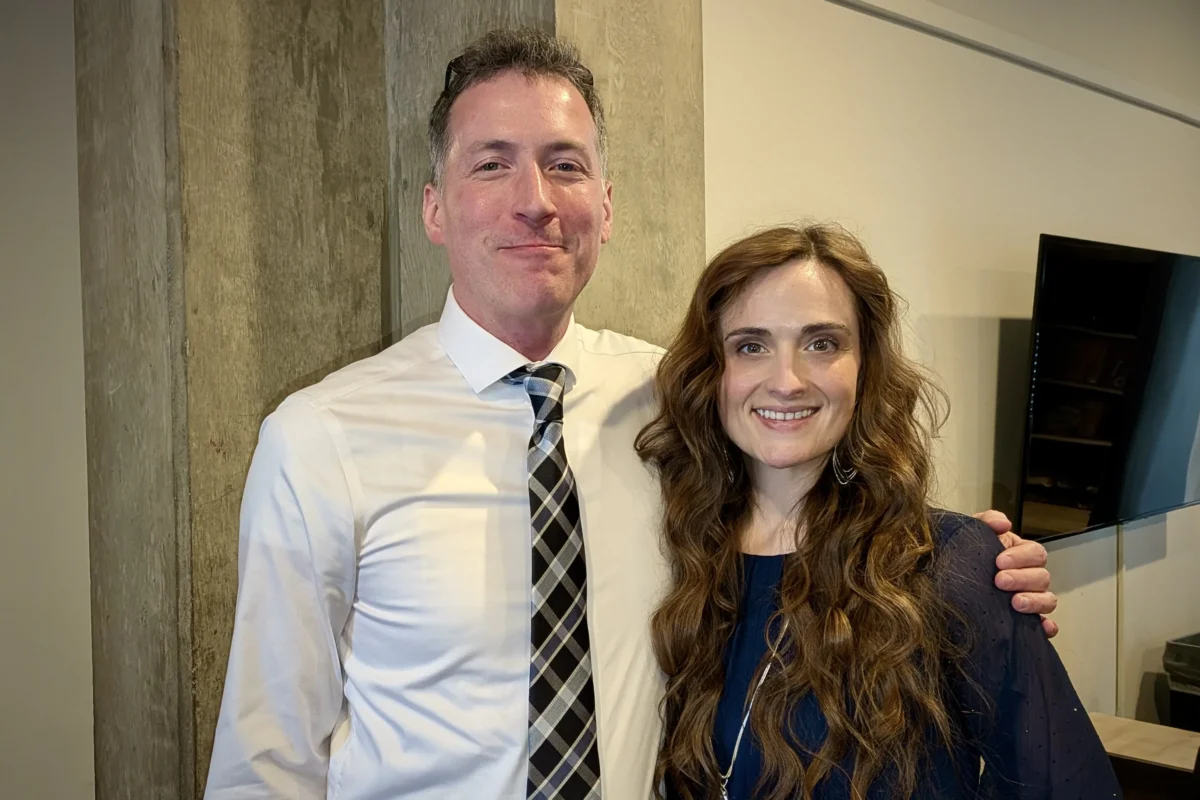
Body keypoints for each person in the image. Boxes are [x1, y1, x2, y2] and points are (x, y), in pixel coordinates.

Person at [204, 29, 1059, 800]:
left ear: (605, 209)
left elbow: (820, 505)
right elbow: (267, 763)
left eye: (565, 164)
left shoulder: (679, 398)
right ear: (435, 206)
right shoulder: (321, 439)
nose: (534, 199)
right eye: (492, 163)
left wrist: (975, 582)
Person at [637, 224, 1119, 800]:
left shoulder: (952, 564)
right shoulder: (677, 554)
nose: (787, 381)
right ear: (713, 371)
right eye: (750, 345)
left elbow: (1064, 784)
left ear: (866, 368)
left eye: (822, 343)